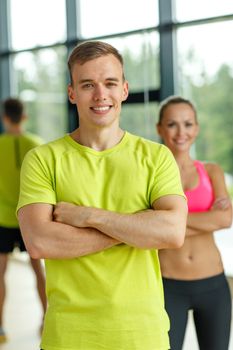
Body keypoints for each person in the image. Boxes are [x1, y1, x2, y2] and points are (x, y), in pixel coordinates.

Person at [17, 41, 187, 350]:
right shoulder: (43, 159)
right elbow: (40, 242)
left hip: (143, 336)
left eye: (110, 83)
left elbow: (173, 232)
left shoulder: (156, 157)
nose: (100, 95)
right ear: (72, 93)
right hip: (69, 338)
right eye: (87, 85)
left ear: (124, 89)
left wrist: (88, 217)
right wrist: (137, 228)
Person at [157, 96, 232, 350]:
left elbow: (225, 218)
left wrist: (168, 224)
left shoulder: (211, 171)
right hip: (167, 285)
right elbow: (148, 229)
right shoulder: (150, 175)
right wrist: (206, 220)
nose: (181, 132)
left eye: (188, 124)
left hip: (214, 285)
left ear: (197, 128)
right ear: (160, 128)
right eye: (172, 124)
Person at [0, 98, 47, 343]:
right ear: (24, 116)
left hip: (3, 219)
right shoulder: (37, 146)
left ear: (5, 118)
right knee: (38, 270)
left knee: (0, 273)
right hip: (30, 219)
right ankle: (46, 321)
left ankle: (0, 329)